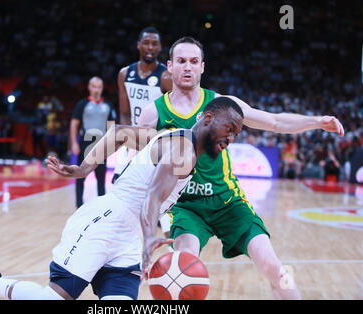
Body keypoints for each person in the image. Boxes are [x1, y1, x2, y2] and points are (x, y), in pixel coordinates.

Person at [0, 97, 244, 300]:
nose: (230, 138)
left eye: (236, 134)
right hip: (107, 224)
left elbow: (122, 133)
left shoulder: (175, 136)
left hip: (129, 239)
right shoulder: (183, 150)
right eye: (229, 128)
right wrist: (152, 237)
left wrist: (85, 167)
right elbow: (152, 196)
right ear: (207, 117)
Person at [135, 36, 345, 299]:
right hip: (185, 207)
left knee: (275, 269)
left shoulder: (222, 104)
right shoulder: (152, 114)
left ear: (202, 67)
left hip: (228, 202)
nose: (187, 67)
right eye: (181, 61)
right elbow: (138, 173)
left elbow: (274, 121)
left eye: (193, 61)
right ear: (169, 66)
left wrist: (316, 121)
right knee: (182, 273)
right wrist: (142, 240)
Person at [114, 26, 173, 236]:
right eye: (146, 43)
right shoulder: (124, 74)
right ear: (139, 45)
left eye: (155, 44)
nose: (150, 47)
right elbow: (123, 112)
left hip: (156, 142)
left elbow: (173, 111)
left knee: (161, 196)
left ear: (160, 48)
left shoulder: (166, 77)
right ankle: (121, 240)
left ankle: (172, 250)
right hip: (133, 140)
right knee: (119, 188)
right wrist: (127, 141)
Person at [70, 76, 116, 208]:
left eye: (99, 87)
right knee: (80, 176)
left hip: (101, 145)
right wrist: (73, 143)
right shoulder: (82, 104)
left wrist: (111, 145)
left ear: (102, 88)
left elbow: (112, 127)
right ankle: (79, 205)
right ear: (89, 87)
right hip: (85, 143)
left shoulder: (108, 105)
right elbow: (74, 124)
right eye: (94, 87)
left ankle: (100, 207)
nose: (96, 90)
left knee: (101, 177)